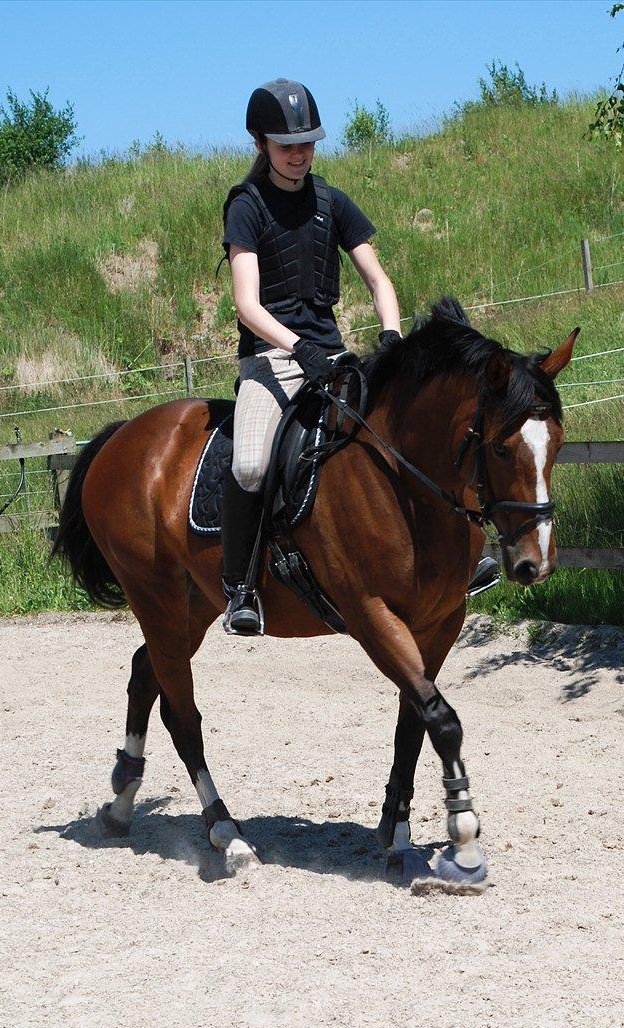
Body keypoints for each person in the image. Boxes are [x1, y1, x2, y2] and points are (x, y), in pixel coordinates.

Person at [219, 78, 403, 634]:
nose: (299, 154)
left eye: (307, 143)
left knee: (397, 434)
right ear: (260, 144)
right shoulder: (245, 207)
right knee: (250, 463)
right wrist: (299, 348)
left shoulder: (332, 202)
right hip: (271, 362)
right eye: (286, 145)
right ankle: (240, 588)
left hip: (334, 356)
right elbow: (247, 305)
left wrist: (390, 339)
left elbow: (378, 278)